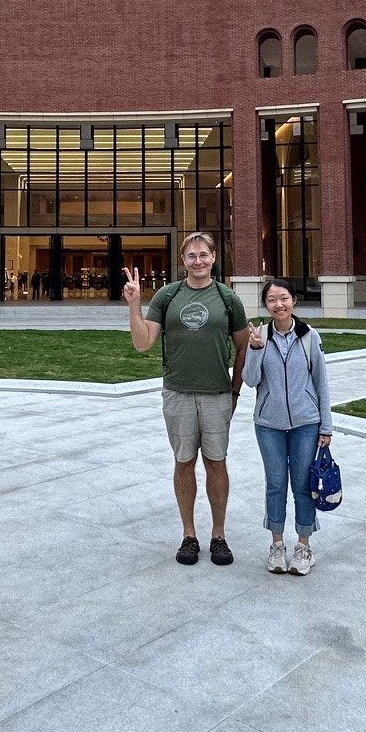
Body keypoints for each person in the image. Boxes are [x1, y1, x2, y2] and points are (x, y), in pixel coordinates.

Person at [125, 232, 250, 566]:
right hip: (178, 393)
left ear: (213, 258)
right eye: (191, 256)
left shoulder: (228, 299)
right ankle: (189, 535)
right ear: (183, 261)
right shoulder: (168, 296)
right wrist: (135, 304)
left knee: (216, 462)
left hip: (217, 394)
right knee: (184, 463)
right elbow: (143, 343)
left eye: (204, 255)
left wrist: (235, 391)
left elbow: (242, 348)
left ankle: (219, 536)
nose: (198, 261)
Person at [242, 278, 333, 576]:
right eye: (271, 300)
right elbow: (250, 380)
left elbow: (321, 382)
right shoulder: (258, 336)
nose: (278, 304)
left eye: (283, 298)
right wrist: (254, 349)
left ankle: (304, 546)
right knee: (276, 483)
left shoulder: (309, 337)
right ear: (266, 305)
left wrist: (326, 427)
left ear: (294, 300)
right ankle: (277, 545)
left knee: (303, 486)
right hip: (268, 424)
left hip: (306, 424)